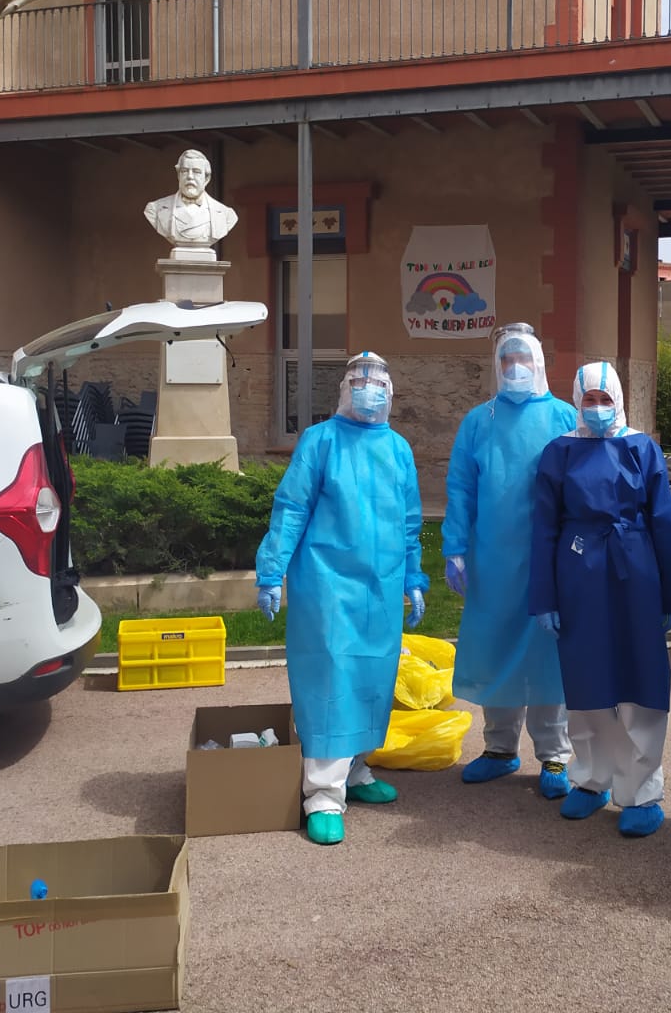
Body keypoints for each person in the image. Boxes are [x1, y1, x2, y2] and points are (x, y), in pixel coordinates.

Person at [254, 351, 429, 846]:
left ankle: (355, 771)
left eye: (378, 382)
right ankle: (323, 795)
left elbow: (410, 521)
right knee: (331, 679)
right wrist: (272, 571)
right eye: (359, 380)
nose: (368, 389)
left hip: (381, 584)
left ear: (390, 393)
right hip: (327, 583)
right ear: (344, 388)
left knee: (372, 677)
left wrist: (414, 576)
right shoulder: (320, 441)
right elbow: (290, 508)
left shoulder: (398, 449)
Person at [529, 361, 671, 837]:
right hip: (578, 572)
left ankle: (640, 790)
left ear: (620, 399)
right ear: (576, 401)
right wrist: (545, 596)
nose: (597, 408)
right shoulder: (559, 452)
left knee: (641, 677)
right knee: (586, 679)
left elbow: (663, 521)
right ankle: (591, 779)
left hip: (635, 570)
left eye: (605, 399)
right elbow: (543, 527)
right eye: (589, 400)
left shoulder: (642, 447)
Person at [443, 323, 579, 797]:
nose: (515, 368)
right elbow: (460, 488)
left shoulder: (565, 417)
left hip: (550, 561)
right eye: (506, 360)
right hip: (492, 560)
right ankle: (500, 748)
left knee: (547, 657)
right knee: (496, 647)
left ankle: (555, 756)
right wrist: (456, 549)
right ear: (496, 366)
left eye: (523, 359)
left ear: (540, 363)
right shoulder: (479, 421)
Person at [142, 149, 238, 252]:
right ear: (178, 176)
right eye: (184, 171)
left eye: (196, 172)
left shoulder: (226, 214)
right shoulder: (155, 209)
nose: (190, 177)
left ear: (206, 179)